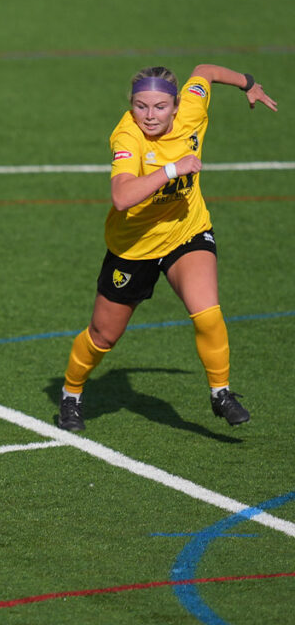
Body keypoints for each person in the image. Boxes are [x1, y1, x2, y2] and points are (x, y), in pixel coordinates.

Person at [57, 64, 277, 432]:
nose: (149, 115)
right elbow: (121, 196)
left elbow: (205, 72)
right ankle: (71, 393)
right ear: (132, 106)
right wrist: (172, 169)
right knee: (102, 336)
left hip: (185, 232)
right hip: (133, 248)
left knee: (207, 313)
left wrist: (249, 84)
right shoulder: (127, 136)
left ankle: (220, 392)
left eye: (159, 107)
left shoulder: (193, 109)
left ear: (177, 106)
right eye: (141, 106)